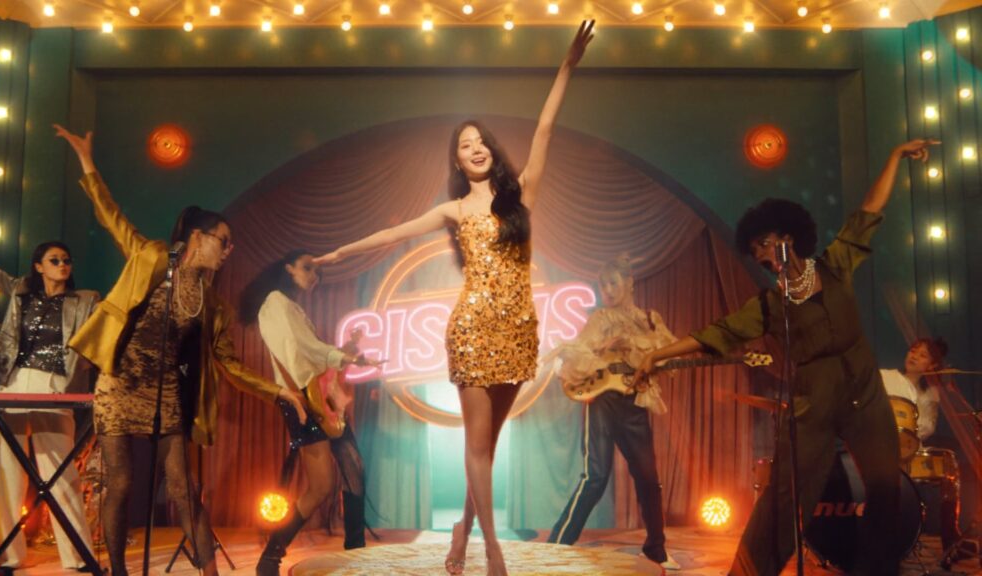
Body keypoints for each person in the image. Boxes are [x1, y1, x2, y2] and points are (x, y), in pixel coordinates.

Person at [314, 21, 594, 575]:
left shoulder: (521, 198)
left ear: (491, 150)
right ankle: (492, 549)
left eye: (480, 141)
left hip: (519, 332)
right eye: (465, 146)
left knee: (488, 447)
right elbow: (393, 233)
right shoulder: (456, 210)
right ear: (458, 162)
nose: (475, 149)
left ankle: (464, 528)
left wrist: (566, 67)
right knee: (477, 445)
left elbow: (544, 130)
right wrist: (341, 251)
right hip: (470, 330)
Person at [632, 139, 939, 576]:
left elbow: (868, 211)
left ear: (788, 237)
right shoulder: (770, 305)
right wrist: (658, 354)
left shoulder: (834, 265)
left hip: (865, 393)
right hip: (814, 402)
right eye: (756, 253)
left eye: (765, 244)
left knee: (885, 488)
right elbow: (717, 333)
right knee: (785, 495)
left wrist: (894, 156)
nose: (762, 256)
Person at [54, 125, 304, 576]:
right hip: (120, 384)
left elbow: (230, 365)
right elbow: (111, 217)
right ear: (198, 237)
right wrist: (87, 162)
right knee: (120, 482)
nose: (229, 250)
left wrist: (278, 391)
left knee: (183, 487)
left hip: (166, 392)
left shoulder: (213, 304)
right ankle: (118, 572)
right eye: (223, 240)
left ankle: (210, 573)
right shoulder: (152, 258)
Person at [0, 232, 97, 572]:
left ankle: (77, 556)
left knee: (61, 472)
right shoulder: (21, 291)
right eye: (55, 260)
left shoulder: (85, 299)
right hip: (15, 381)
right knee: (7, 470)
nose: (62, 265)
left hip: (57, 384)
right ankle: (10, 556)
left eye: (66, 260)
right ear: (38, 266)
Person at [239, 249, 379, 575]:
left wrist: (347, 353)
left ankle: (355, 554)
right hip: (301, 400)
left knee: (354, 469)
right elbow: (303, 352)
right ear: (288, 268)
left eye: (317, 271)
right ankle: (270, 557)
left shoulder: (291, 306)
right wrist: (347, 357)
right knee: (320, 488)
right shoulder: (275, 302)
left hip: (322, 401)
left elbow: (314, 356)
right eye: (307, 268)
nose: (314, 276)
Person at [547, 254, 680, 570]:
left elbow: (669, 355)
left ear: (629, 283)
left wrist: (646, 352)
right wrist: (606, 345)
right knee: (595, 476)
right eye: (603, 284)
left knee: (649, 479)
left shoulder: (651, 320)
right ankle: (555, 547)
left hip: (635, 402)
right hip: (604, 399)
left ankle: (656, 549)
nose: (607, 290)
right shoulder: (601, 319)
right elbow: (578, 355)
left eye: (613, 283)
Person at [881, 337, 964, 563]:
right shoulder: (886, 377)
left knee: (949, 464)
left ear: (932, 365)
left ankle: (950, 542)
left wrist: (912, 430)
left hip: (912, 451)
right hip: (884, 449)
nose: (914, 356)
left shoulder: (931, 394)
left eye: (922, 355)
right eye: (913, 351)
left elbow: (929, 426)